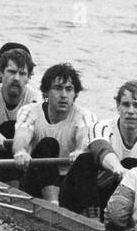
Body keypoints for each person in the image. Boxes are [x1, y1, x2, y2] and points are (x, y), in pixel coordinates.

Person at [59, 80, 137, 219]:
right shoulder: (102, 127)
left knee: (132, 164)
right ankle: (92, 220)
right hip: (81, 195)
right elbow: (102, 149)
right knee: (86, 159)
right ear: (118, 106)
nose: (131, 111)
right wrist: (118, 168)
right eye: (126, 104)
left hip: (113, 198)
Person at [12, 63, 96, 201]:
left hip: (67, 183)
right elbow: (21, 136)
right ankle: (53, 205)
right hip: (35, 179)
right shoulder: (30, 110)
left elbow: (84, 136)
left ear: (75, 94)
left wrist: (80, 151)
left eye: (69, 89)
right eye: (58, 88)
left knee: (86, 159)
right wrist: (20, 151)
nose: (64, 95)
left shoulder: (84, 115)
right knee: (48, 144)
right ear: (45, 93)